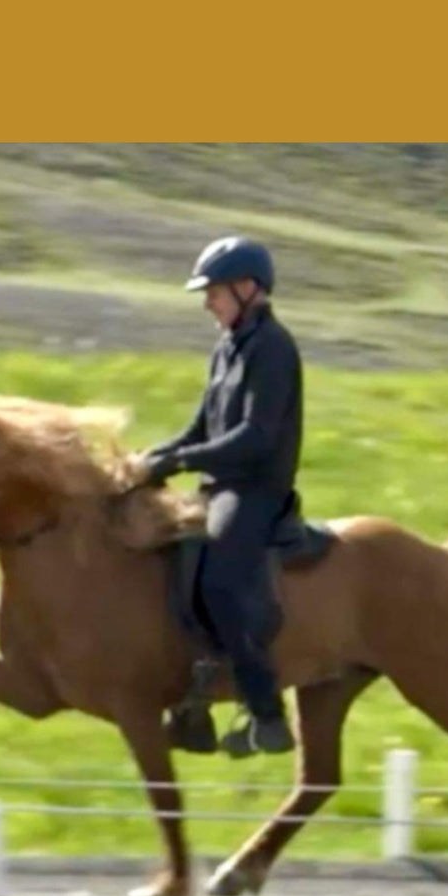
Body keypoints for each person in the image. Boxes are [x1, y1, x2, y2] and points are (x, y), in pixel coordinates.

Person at [141, 236, 303, 757]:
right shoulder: (227, 346)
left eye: (213, 292)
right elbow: (200, 427)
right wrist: (147, 460)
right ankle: (191, 698)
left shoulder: (274, 348)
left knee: (221, 581)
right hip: (219, 484)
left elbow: (255, 438)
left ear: (247, 288)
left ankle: (266, 714)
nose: (207, 301)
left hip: (256, 491)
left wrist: (183, 462)